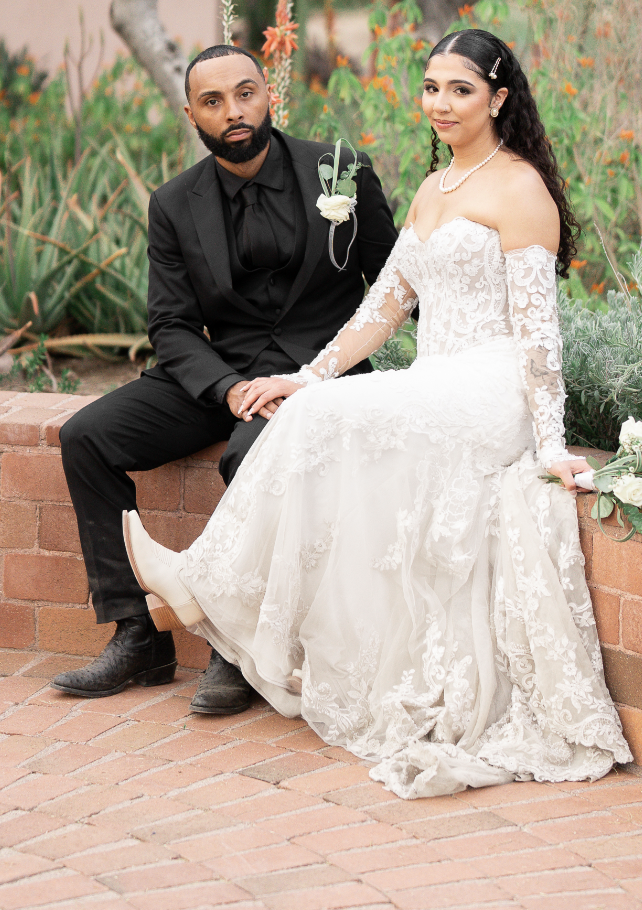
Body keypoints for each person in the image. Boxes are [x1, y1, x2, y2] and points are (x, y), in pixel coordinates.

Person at [122, 28, 633, 799]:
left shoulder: (522, 189)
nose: (441, 105)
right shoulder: (435, 188)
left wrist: (552, 443)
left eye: (460, 90)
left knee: (324, 420)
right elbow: (383, 309)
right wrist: (307, 374)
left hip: (489, 389)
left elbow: (538, 337)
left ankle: (203, 582)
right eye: (431, 88)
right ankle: (211, 589)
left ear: (498, 98)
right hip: (437, 381)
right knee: (313, 408)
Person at [54, 45, 400, 712]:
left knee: (249, 456)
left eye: (245, 93)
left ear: (268, 93)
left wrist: (319, 374)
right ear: (192, 114)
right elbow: (173, 325)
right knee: (86, 438)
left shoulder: (341, 171)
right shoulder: (174, 204)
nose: (233, 112)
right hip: (224, 378)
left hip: (316, 378)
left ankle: (235, 651)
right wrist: (228, 388)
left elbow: (389, 288)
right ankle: (137, 633)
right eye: (213, 102)